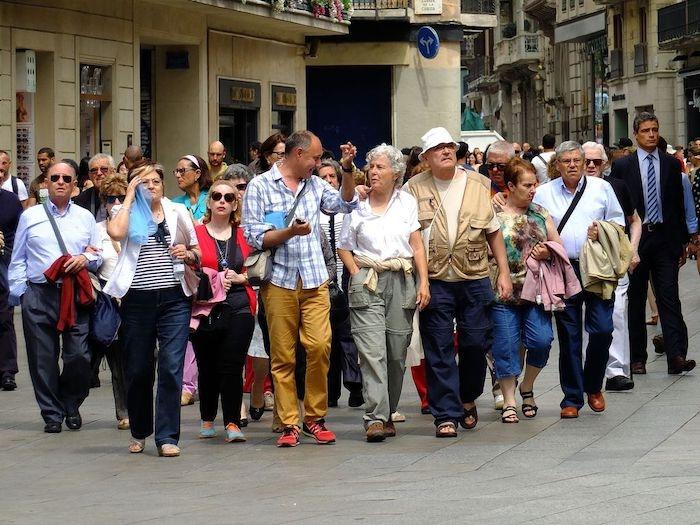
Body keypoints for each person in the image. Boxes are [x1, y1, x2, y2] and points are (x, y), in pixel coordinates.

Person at [242, 130, 358, 448]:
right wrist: (289, 233)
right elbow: (255, 236)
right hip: (278, 280)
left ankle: (315, 417)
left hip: (314, 278)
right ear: (297, 155)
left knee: (320, 347)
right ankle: (290, 422)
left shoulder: (315, 184)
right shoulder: (260, 186)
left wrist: (348, 169)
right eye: (315, 158)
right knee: (283, 356)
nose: (318, 163)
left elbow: (345, 204)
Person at [403, 127, 512, 438]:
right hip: (435, 279)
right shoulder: (413, 189)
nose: (446, 151)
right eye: (438, 148)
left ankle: (467, 396)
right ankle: (445, 414)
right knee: (438, 348)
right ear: (426, 157)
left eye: (449, 146)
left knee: (476, 343)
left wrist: (503, 272)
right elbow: (409, 236)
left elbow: (493, 231)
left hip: (475, 275)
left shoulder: (479, 183)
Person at [104, 161, 200, 457]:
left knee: (171, 368)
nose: (151, 187)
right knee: (139, 368)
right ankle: (139, 430)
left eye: (156, 182)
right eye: (144, 182)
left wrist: (187, 254)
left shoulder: (177, 212)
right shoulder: (126, 212)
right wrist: (130, 196)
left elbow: (197, 250)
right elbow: (116, 234)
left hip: (174, 298)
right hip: (137, 300)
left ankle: (167, 436)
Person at [338, 144, 429, 441]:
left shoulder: (406, 203)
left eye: (380, 167)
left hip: (401, 278)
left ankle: (387, 411)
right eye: (371, 167)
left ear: (396, 173)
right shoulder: (357, 204)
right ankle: (375, 416)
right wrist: (356, 273)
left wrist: (423, 282)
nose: (374, 172)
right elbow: (344, 246)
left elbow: (416, 246)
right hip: (367, 278)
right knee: (372, 352)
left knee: (395, 352)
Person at [534, 141, 625, 418]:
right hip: (563, 268)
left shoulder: (602, 188)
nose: (573, 165)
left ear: (585, 162)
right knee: (569, 335)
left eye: (577, 160)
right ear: (557, 165)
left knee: (602, 329)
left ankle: (594, 385)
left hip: (597, 268)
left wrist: (603, 230)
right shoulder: (543, 193)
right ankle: (571, 398)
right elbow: (533, 227)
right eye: (567, 161)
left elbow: (619, 222)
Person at [9, 162, 102, 432]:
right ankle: (52, 414)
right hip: (39, 294)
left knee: (80, 356)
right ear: (46, 183)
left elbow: (97, 253)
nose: (60, 182)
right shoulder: (30, 216)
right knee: (42, 358)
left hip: (75, 294)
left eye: (66, 178)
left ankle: (71, 403)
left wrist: (84, 258)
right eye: (55, 178)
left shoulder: (85, 216)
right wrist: (21, 293)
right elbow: (18, 258)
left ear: (74, 184)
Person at [611, 112, 699, 375]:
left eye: (655, 130)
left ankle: (676, 356)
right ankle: (638, 358)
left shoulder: (672, 165)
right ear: (636, 134)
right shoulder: (623, 166)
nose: (651, 134)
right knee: (636, 300)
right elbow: (617, 205)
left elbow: (677, 205)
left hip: (664, 239)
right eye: (646, 130)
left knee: (669, 298)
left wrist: (684, 241)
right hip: (636, 240)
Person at [490, 158, 561, 423]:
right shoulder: (493, 213)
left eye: (535, 184)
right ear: (510, 186)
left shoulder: (541, 213)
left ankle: (527, 385)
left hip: (537, 292)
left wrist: (548, 250)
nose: (533, 190)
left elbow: (558, 245)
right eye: (527, 185)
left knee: (542, 341)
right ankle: (509, 400)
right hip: (503, 291)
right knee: (506, 345)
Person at [190, 179, 256, 443]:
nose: (222, 201)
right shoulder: (196, 233)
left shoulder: (243, 234)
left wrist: (242, 278)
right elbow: (187, 268)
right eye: (217, 196)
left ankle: (231, 422)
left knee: (232, 365)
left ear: (235, 204)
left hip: (239, 306)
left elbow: (258, 266)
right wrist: (212, 276)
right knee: (207, 367)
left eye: (229, 198)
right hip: (205, 308)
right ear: (209, 201)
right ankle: (207, 416)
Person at [581, 142, 641, 392]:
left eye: (597, 161)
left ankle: (616, 370)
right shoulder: (567, 189)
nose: (592, 166)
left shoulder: (616, 186)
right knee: (585, 317)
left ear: (605, 163)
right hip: (581, 265)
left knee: (616, 313)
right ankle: (589, 368)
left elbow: (635, 220)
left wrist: (633, 250)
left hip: (612, 263)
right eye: (587, 161)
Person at [317, 158, 364, 408]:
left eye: (331, 177)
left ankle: (355, 384)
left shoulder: (349, 207)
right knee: (327, 337)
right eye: (322, 178)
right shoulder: (314, 209)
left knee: (348, 335)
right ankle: (330, 389)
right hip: (322, 279)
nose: (328, 182)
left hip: (346, 277)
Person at [92, 174, 130, 429]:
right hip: (110, 299)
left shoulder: (135, 225)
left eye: (120, 197)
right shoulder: (96, 230)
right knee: (117, 358)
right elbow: (93, 264)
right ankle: (124, 411)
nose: (115, 202)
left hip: (136, 296)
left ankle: (141, 402)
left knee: (150, 355)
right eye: (110, 198)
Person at [0, 184, 23, 391]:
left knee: (5, 317)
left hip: (3, 265)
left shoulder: (11, 200)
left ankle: (7, 371)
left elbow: (19, 233)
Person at [73, 153, 117, 222]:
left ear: (113, 171)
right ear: (89, 175)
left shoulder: (126, 195)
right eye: (94, 170)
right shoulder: (81, 200)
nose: (99, 173)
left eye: (104, 169)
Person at [172, 154, 212, 223]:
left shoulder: (213, 198)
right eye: (176, 171)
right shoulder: (175, 203)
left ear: (197, 174)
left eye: (182, 171)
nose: (178, 175)